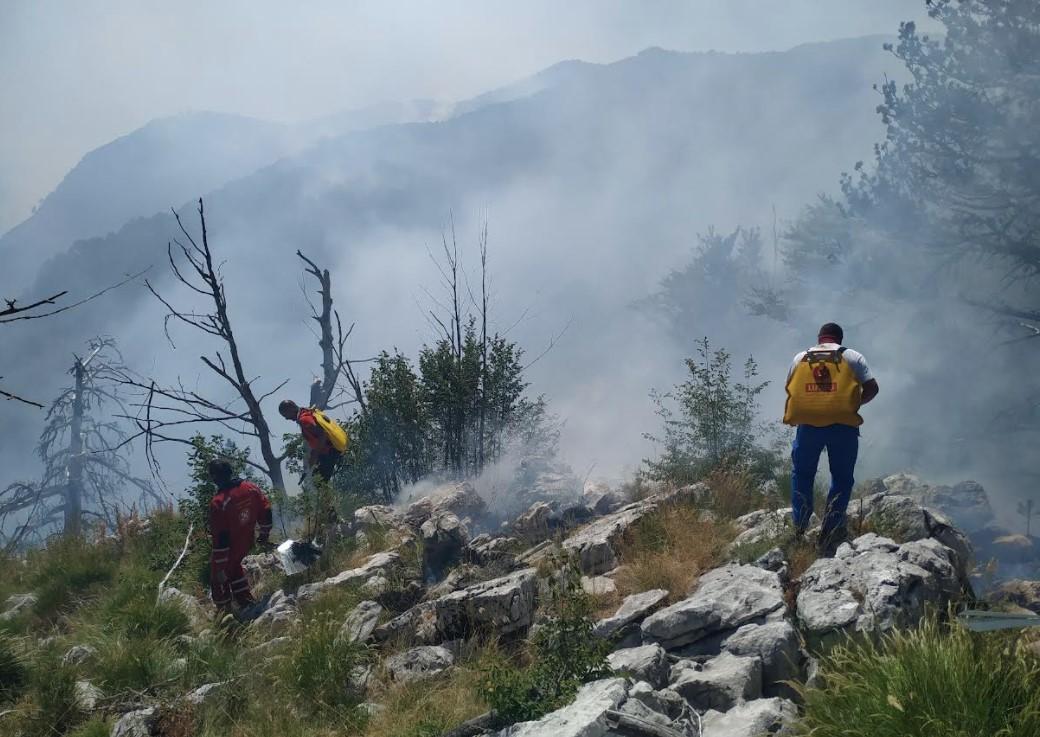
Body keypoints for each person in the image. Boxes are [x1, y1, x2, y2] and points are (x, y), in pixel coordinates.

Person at [783, 322, 879, 554]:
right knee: (842, 478)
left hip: (808, 426)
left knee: (803, 474)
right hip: (842, 426)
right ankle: (832, 529)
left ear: (820, 338)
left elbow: (791, 388)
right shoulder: (853, 356)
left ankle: (800, 527)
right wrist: (851, 404)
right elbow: (873, 388)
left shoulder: (801, 358)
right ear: (840, 339)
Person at [207, 458, 273, 612]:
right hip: (246, 543)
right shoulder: (251, 488)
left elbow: (221, 536)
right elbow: (266, 511)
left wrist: (220, 564)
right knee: (235, 568)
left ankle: (224, 612)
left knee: (219, 578)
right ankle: (245, 601)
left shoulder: (219, 502)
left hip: (228, 548)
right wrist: (264, 534)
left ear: (215, 477)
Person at [277, 399, 346, 483]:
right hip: (330, 451)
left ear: (291, 408)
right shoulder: (307, 412)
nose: (286, 418)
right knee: (319, 479)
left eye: (286, 415)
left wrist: (315, 453)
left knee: (319, 483)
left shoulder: (304, 420)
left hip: (329, 453)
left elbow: (322, 435)